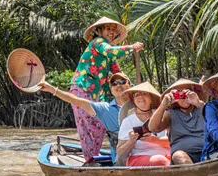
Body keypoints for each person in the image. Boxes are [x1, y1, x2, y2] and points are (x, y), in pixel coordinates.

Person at [69, 16, 144, 163]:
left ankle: (96, 156)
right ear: (99, 31)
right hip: (82, 89)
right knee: (88, 126)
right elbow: (109, 51)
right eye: (108, 29)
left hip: (99, 93)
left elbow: (119, 74)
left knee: (101, 127)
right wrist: (131, 48)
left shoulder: (109, 55)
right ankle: (90, 160)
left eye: (113, 30)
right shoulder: (98, 43)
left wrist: (137, 90)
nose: (111, 32)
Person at [38, 72, 131, 165]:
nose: (118, 85)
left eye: (122, 81)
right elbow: (77, 101)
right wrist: (52, 89)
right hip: (122, 161)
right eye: (114, 83)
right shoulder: (105, 109)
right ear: (111, 89)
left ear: (129, 85)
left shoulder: (140, 104)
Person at [149, 79, 206, 165]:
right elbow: (153, 128)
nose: (183, 96)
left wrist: (198, 103)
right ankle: (194, 173)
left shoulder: (202, 108)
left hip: (207, 150)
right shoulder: (171, 114)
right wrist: (163, 105)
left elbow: (217, 120)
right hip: (182, 155)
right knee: (179, 156)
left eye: (186, 92)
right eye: (179, 94)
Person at [117, 82, 171, 166]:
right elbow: (120, 153)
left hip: (167, 156)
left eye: (144, 94)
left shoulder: (163, 115)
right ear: (133, 100)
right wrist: (131, 141)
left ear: (151, 98)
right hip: (139, 157)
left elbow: (175, 141)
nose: (140, 97)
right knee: (160, 161)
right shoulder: (128, 121)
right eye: (136, 95)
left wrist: (155, 140)